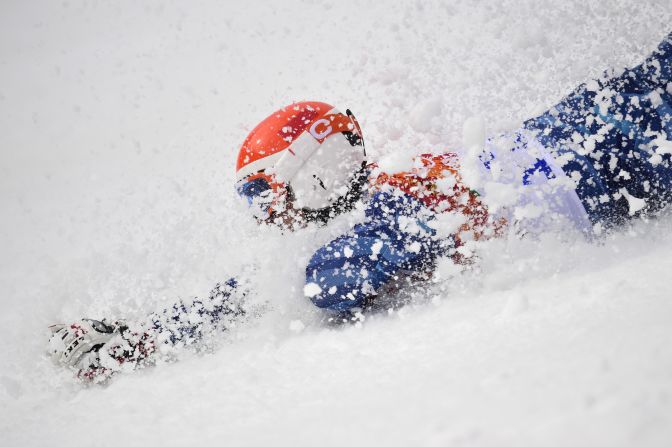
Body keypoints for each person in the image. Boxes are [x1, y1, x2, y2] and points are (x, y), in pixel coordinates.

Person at [48, 32, 672, 383]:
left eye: (269, 195)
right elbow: (270, 284)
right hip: (588, 137)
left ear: (315, 171)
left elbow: (318, 285)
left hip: (610, 154)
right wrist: (160, 332)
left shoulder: (386, 216)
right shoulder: (381, 196)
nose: (271, 219)